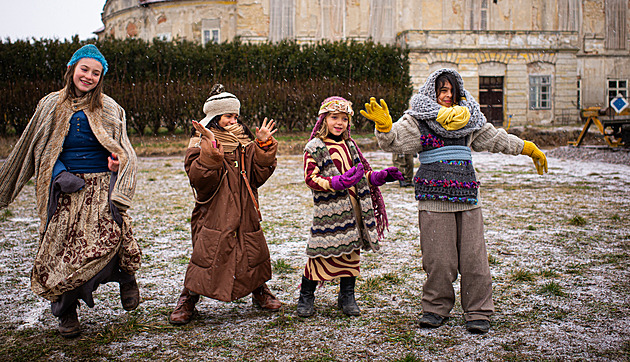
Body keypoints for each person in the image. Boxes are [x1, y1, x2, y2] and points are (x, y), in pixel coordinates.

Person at [361, 68, 548, 334]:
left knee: (475, 259)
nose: (447, 96)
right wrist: (384, 127)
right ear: (433, 92)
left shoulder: (469, 120)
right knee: (439, 260)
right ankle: (435, 309)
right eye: (442, 90)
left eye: (452, 91)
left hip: (468, 198)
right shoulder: (417, 120)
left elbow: (496, 138)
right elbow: (394, 142)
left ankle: (478, 312)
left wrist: (527, 147)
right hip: (433, 200)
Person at [0, 44, 142, 338]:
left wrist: (118, 165)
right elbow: (38, 148)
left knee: (114, 233)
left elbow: (122, 147)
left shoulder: (110, 108)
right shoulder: (50, 105)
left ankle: (126, 278)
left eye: (96, 73)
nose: (88, 77)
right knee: (61, 249)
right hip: (65, 187)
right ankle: (66, 311)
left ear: (101, 77)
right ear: (72, 68)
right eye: (84, 69)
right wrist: (59, 172)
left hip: (103, 183)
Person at [169, 84, 282, 325]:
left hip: (245, 208)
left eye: (235, 115)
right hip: (214, 209)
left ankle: (259, 290)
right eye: (228, 115)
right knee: (207, 253)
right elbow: (199, 178)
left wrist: (263, 147)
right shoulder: (200, 142)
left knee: (252, 250)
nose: (234, 120)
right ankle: (188, 297)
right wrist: (211, 150)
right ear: (214, 118)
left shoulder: (245, 142)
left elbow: (259, 175)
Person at [297, 96, 404, 318]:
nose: (339, 123)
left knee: (351, 255)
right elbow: (310, 178)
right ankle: (306, 295)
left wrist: (378, 177)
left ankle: (347, 295)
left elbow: (359, 175)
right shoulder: (315, 147)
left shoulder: (350, 146)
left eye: (344, 119)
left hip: (355, 209)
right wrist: (335, 183)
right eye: (334, 117)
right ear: (323, 119)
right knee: (320, 255)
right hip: (329, 213)